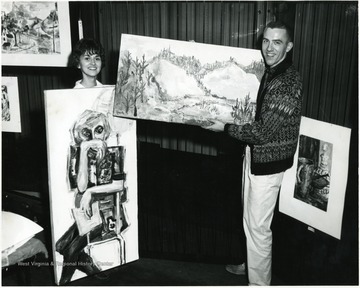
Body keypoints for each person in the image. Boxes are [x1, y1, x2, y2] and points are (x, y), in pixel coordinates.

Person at [222, 21, 303, 285]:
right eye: (266, 41)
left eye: (277, 42)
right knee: (250, 221)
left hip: (268, 163)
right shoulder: (270, 71)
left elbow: (264, 132)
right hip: (254, 155)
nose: (269, 48)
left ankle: (258, 282)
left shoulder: (288, 81)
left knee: (258, 227)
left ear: (289, 46)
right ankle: (252, 266)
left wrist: (224, 127)